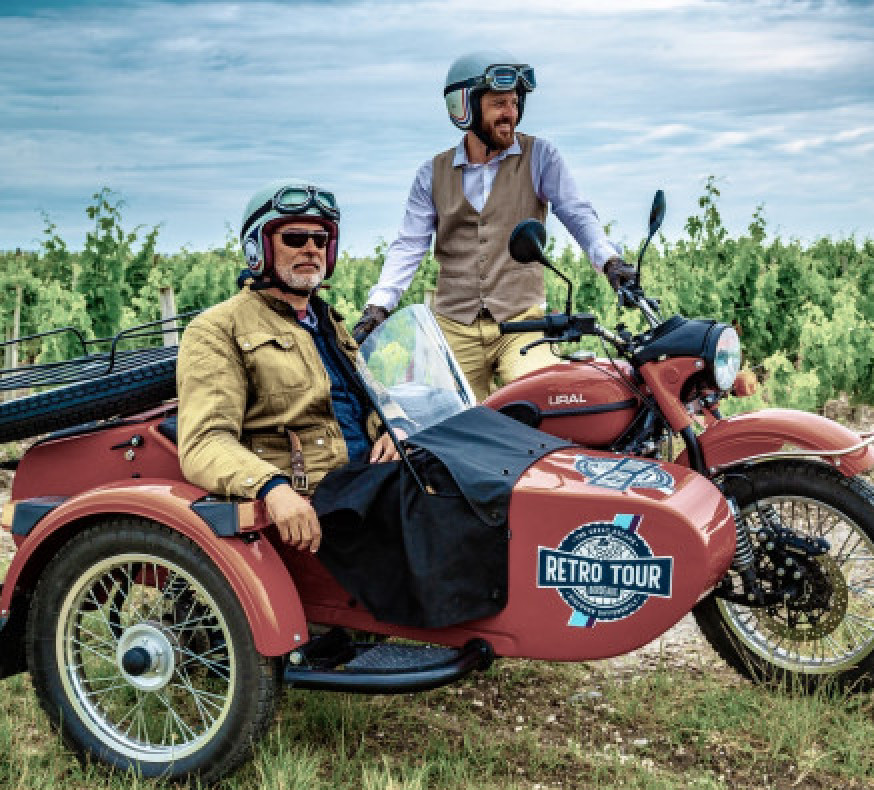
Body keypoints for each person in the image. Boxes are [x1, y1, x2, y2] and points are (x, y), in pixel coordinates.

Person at [353, 51, 637, 401]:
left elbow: (576, 212)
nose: (510, 114)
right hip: (453, 325)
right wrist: (379, 305)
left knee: (542, 402)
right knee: (450, 422)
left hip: (522, 323)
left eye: (515, 103)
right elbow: (409, 245)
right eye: (499, 103)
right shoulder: (432, 173)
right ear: (465, 107)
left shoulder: (540, 157)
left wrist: (610, 261)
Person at [177, 181, 405, 555]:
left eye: (320, 239)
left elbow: (373, 395)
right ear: (259, 248)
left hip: (370, 477)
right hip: (322, 494)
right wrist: (273, 488)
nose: (311, 248)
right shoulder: (218, 328)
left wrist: (389, 428)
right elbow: (204, 442)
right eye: (296, 238)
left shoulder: (327, 321)